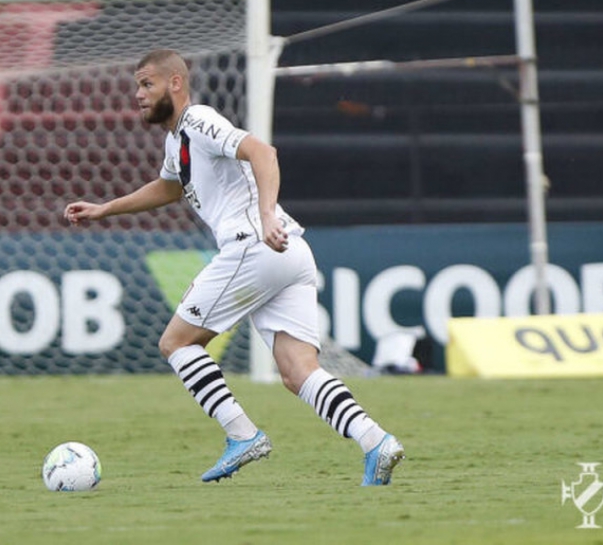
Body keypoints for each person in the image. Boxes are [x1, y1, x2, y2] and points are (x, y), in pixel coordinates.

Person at [64, 48, 404, 485]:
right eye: (136, 86)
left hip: (255, 245)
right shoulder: (176, 140)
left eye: (146, 84)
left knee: (177, 343)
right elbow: (169, 187)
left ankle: (242, 434)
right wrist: (105, 209)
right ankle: (377, 442)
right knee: (297, 371)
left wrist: (265, 215)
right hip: (289, 252)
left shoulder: (200, 120)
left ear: (175, 83)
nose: (138, 94)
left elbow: (263, 152)